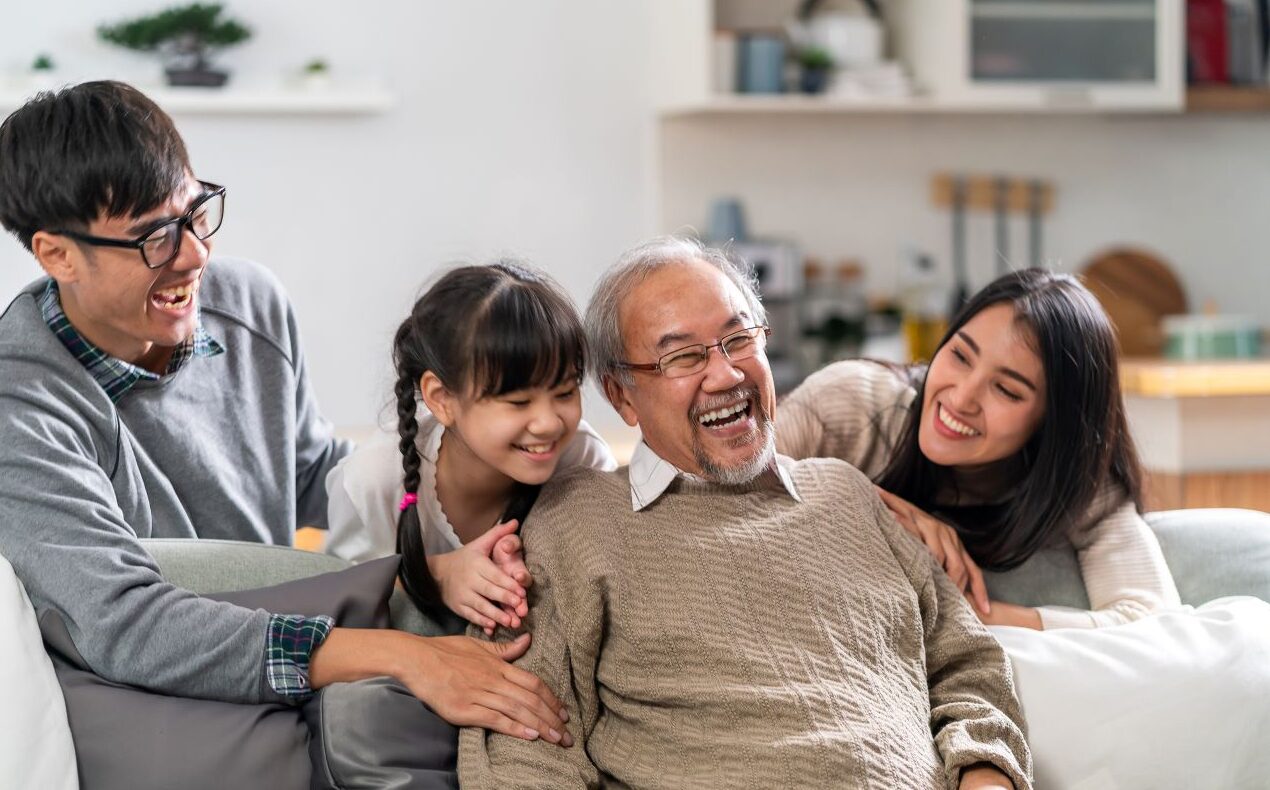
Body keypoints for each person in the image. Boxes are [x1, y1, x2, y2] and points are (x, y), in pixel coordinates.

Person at [0, 81, 567, 788]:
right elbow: (121, 624)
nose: (193, 257)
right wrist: (396, 651)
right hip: (141, 686)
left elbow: (319, 482)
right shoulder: (20, 402)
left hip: (294, 640)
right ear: (57, 256)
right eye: (153, 237)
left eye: (196, 213)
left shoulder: (250, 305)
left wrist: (440, 553)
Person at [459, 237, 1032, 790]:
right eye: (682, 356)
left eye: (739, 340)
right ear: (622, 395)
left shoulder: (848, 494)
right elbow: (521, 750)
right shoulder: (575, 521)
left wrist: (986, 776)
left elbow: (967, 666)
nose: (726, 375)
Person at [777, 268, 1180, 630]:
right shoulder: (853, 400)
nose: (962, 397)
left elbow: (1152, 621)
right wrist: (881, 512)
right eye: (959, 355)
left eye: (1006, 389)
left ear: (1054, 424)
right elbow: (725, 491)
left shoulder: (1081, 485)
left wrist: (982, 613)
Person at [325, 262, 615, 637]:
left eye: (564, 392)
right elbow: (337, 604)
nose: (548, 423)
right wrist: (435, 576)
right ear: (442, 399)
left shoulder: (582, 460)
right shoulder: (371, 481)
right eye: (518, 401)